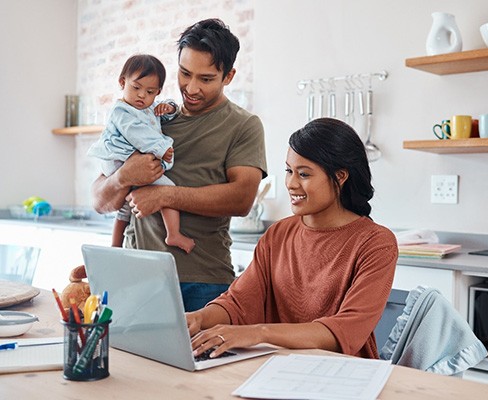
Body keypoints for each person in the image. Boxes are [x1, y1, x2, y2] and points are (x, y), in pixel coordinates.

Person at [91, 19, 267, 311]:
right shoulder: (149, 118)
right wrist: (123, 176)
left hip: (204, 282)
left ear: (229, 76)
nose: (192, 88)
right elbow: (99, 200)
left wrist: (164, 195)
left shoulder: (243, 126)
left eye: (206, 79)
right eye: (185, 74)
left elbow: (242, 199)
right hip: (137, 276)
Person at [187, 118, 398, 360]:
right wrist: (197, 318)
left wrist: (259, 333)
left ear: (340, 176)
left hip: (345, 374)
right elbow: (239, 302)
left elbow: (345, 330)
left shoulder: (376, 243)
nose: (291, 183)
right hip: (276, 367)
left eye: (304, 174)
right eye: (289, 171)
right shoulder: (278, 234)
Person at [88, 54, 195, 253]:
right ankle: (174, 234)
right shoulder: (122, 110)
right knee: (168, 188)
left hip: (122, 160)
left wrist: (168, 107)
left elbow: (163, 113)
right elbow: (138, 134)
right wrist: (162, 149)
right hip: (118, 160)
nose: (141, 96)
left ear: (158, 92)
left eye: (150, 92)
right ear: (122, 82)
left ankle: (115, 247)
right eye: (136, 88)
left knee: (125, 207)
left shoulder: (148, 107)